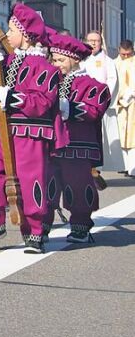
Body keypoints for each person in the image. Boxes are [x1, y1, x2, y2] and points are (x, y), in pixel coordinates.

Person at [0, 3, 60, 254]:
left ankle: (34, 232)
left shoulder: (45, 68)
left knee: (30, 179)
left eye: (12, 29)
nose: (8, 34)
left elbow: (42, 102)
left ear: (26, 34)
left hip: (28, 133)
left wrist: (12, 98)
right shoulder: (7, 61)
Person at [48, 31, 110, 243]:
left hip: (78, 143)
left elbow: (95, 109)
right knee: (50, 183)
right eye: (54, 59)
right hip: (53, 143)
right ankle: (42, 225)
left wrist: (69, 107)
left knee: (78, 184)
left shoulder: (91, 84)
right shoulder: (51, 81)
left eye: (61, 60)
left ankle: (81, 225)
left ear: (74, 60)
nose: (56, 64)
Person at [81, 30, 124, 174]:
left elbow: (112, 80)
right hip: (84, 103)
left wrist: (105, 97)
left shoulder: (108, 61)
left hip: (101, 103)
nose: (93, 43)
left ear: (101, 43)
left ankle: (98, 167)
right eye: (90, 40)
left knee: (103, 137)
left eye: (96, 40)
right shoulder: (81, 59)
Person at [114, 39, 135, 176]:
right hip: (119, 102)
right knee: (121, 134)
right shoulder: (114, 63)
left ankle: (133, 167)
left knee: (132, 135)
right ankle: (124, 165)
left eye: (129, 54)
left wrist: (131, 93)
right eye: (123, 54)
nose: (126, 57)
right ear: (118, 51)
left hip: (133, 101)